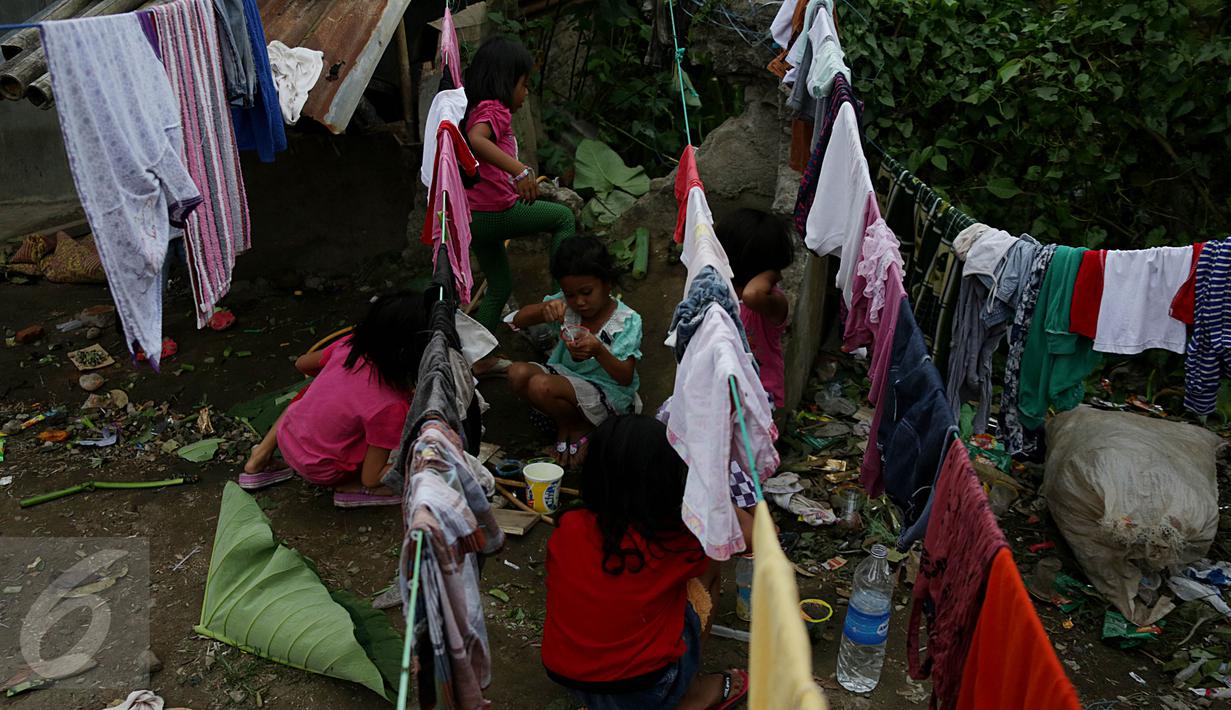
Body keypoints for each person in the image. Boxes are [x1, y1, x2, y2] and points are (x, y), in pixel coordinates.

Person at [541, 414, 750, 710]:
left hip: (569, 675)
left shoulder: (569, 525)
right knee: (710, 567)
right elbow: (754, 536)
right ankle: (689, 692)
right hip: (643, 686)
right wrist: (706, 487)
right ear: (668, 480)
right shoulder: (677, 539)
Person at [239, 292, 428, 507]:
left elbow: (301, 364)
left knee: (308, 394)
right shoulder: (392, 403)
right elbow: (372, 477)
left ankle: (258, 458)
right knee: (396, 452)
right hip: (325, 471)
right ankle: (352, 487)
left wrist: (337, 384)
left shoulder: (347, 347)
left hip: (287, 440)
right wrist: (423, 464)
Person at [463, 37, 576, 345]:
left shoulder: (473, 109)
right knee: (563, 218)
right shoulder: (495, 109)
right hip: (494, 214)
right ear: (505, 81)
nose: (526, 93)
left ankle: (474, 358)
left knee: (499, 287)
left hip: (473, 218)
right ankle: (560, 301)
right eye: (524, 84)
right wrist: (520, 170)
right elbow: (477, 140)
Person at [506, 236, 641, 467]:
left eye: (586, 292)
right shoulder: (565, 306)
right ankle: (566, 421)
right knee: (516, 373)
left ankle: (577, 427)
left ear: (607, 283)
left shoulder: (626, 320)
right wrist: (544, 309)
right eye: (570, 294)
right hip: (564, 380)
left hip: (607, 391)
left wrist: (599, 350)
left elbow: (625, 377)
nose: (579, 302)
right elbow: (517, 320)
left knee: (540, 385)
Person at [715, 208, 794, 410]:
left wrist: (773, 273)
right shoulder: (719, 291)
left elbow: (751, 295)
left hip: (759, 394)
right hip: (726, 386)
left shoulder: (772, 303)